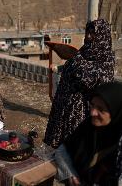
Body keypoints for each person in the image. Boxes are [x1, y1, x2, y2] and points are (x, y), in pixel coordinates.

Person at [44, 19, 115, 148]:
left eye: (93, 33)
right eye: (87, 32)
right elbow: (71, 66)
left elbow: (92, 81)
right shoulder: (83, 51)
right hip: (64, 107)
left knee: (74, 151)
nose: (88, 36)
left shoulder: (105, 58)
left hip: (81, 114)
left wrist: (75, 58)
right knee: (58, 151)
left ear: (102, 36)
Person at [55, 82, 122, 186]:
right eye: (92, 105)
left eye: (101, 109)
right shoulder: (88, 126)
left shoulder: (120, 144)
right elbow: (63, 149)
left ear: (116, 111)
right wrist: (70, 174)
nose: (92, 113)